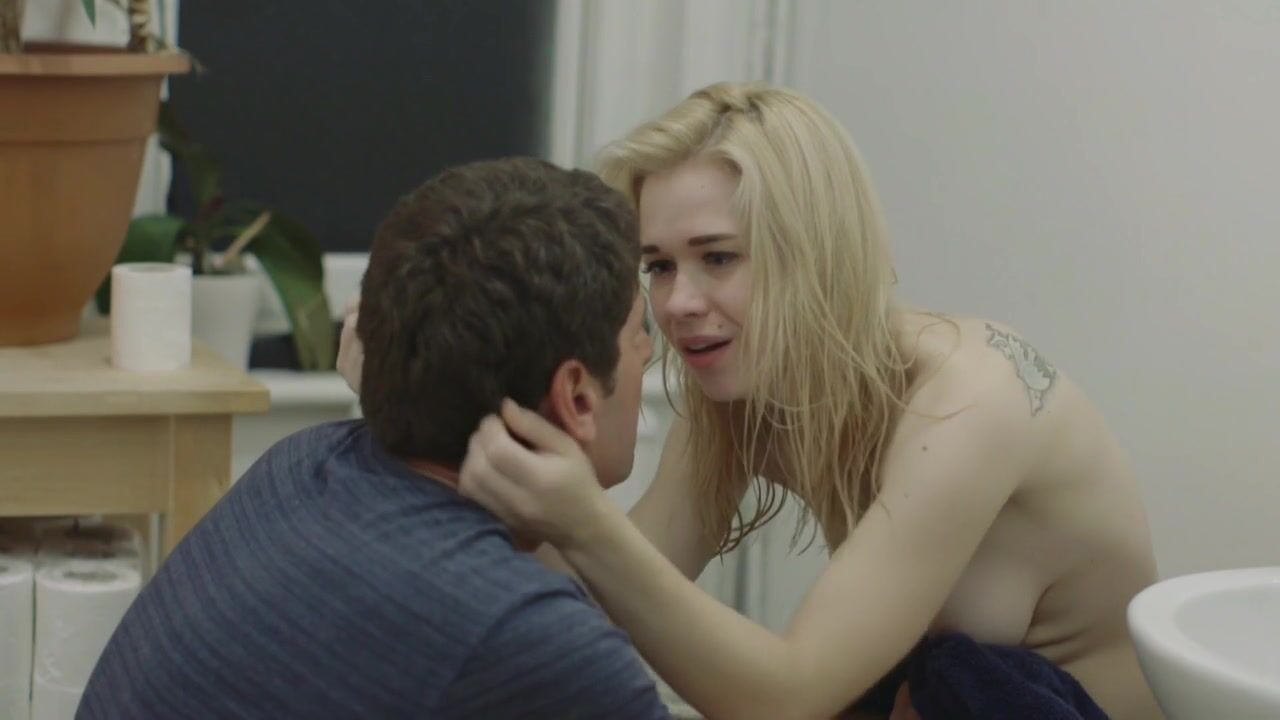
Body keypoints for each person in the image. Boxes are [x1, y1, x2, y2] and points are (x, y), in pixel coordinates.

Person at [417, 83, 1163, 719]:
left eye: (717, 257)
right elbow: (608, 589)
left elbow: (788, 696)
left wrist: (583, 519)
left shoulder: (971, 402)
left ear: (815, 253)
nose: (677, 304)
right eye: (659, 266)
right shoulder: (740, 390)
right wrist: (432, 409)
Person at [79, 157, 675, 719]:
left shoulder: (304, 464)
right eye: (637, 332)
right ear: (576, 397)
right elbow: (530, 638)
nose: (650, 350)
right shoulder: (532, 640)